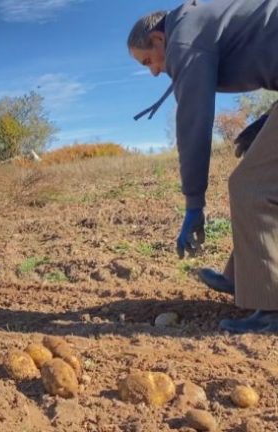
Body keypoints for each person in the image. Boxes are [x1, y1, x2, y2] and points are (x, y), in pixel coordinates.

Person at [128, 0, 278, 333]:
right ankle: (243, 278)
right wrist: (266, 121)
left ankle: (271, 309)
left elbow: (194, 120)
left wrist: (194, 203)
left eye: (148, 61)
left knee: (251, 186)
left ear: (157, 38)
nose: (153, 71)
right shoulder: (200, 22)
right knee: (259, 177)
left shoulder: (184, 36)